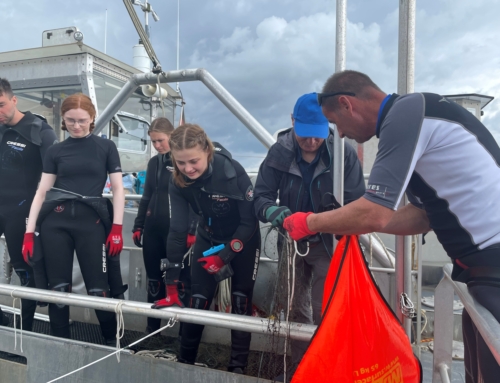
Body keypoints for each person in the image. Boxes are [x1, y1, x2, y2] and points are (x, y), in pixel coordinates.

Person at [283, 70, 500, 383]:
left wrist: (311, 222)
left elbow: (374, 213)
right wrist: (344, 224)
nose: (340, 135)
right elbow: (421, 216)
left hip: (493, 264)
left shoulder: (405, 114)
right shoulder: (410, 118)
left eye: (336, 124)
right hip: (481, 271)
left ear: (346, 104)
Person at [253, 92, 365, 378]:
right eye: (305, 134)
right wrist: (278, 215)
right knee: (293, 309)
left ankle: (330, 371)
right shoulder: (278, 152)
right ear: (292, 122)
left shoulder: (344, 152)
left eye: (318, 134)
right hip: (291, 244)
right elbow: (261, 198)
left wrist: (329, 221)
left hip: (329, 243)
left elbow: (357, 202)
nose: (312, 141)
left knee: (326, 308)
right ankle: (302, 371)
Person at [153, 124, 260, 374]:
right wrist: (171, 282)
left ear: (207, 151)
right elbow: (177, 231)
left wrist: (225, 256)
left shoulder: (230, 171)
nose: (188, 169)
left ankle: (237, 370)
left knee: (241, 302)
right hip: (208, 239)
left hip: (241, 240)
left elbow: (249, 222)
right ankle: (185, 364)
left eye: (194, 161)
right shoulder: (178, 181)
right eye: (181, 163)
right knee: (197, 301)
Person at [23, 93, 125, 344]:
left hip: (92, 224)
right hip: (55, 224)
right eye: (70, 121)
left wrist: (117, 228)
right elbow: (42, 191)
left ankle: (113, 345)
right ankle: (61, 345)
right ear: (63, 120)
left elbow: (118, 189)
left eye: (82, 120)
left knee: (99, 290)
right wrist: (29, 231)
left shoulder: (106, 147)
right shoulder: (56, 150)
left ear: (92, 118)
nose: (76, 126)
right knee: (59, 290)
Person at [0, 78, 58, 329]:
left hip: (21, 209)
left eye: (1, 104)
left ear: (14, 100)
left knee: (24, 270)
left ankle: (27, 330)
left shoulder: (39, 130)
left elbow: (54, 176)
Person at [132, 117, 196, 334]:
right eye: (153, 142)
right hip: (153, 228)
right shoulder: (154, 162)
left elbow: (194, 198)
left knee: (181, 281)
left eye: (161, 140)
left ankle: (183, 334)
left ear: (172, 136)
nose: (157, 146)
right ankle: (152, 332)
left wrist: (192, 229)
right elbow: (147, 195)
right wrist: (138, 225)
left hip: (177, 230)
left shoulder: (182, 161)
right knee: (154, 280)